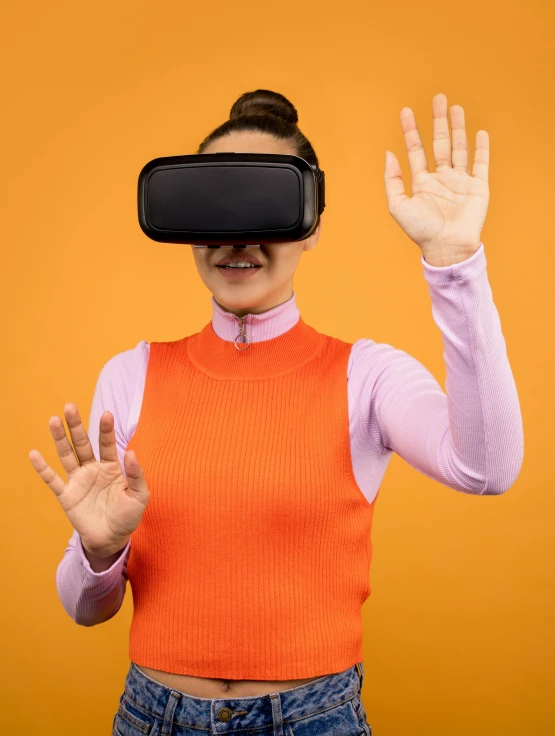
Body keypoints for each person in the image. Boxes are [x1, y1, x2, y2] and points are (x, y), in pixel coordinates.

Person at [29, 88, 523, 736]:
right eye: (215, 205)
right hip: (152, 716)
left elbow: (486, 468)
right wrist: (98, 549)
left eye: (265, 204)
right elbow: (83, 611)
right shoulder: (129, 375)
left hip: (313, 720)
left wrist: (455, 264)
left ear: (311, 223)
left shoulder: (366, 375)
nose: (238, 235)